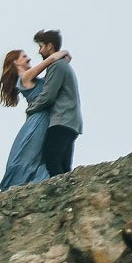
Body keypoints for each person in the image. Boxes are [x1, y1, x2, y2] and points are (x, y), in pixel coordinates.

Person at [0, 42, 69, 189]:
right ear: (16, 61)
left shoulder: (27, 79)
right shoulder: (24, 78)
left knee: (41, 154)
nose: (28, 58)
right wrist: (64, 53)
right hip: (40, 121)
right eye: (24, 56)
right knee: (34, 155)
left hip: (39, 120)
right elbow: (50, 60)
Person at [26, 28, 82, 176]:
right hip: (71, 121)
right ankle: (69, 193)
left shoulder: (56, 66)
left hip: (62, 120)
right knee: (64, 164)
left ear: (49, 46)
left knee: (52, 159)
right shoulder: (62, 65)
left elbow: (48, 96)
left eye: (40, 46)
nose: (39, 52)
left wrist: (31, 110)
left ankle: (61, 194)